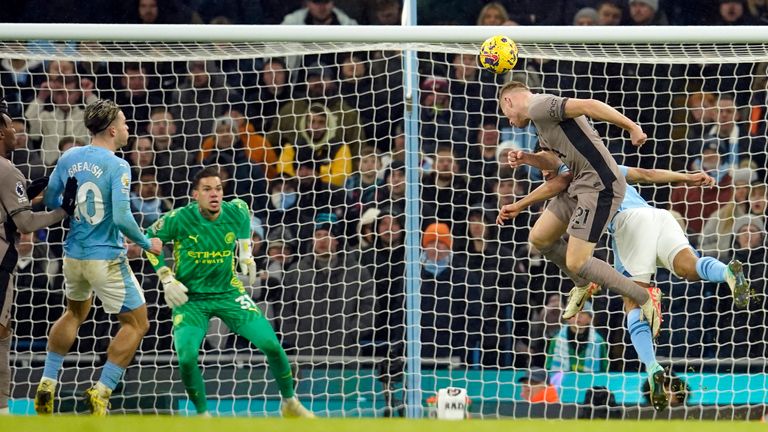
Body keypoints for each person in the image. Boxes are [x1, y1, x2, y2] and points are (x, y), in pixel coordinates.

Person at [499, 163, 751, 411]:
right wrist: (687, 177)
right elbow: (648, 173)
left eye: (546, 172)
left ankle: (652, 366)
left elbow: (563, 224)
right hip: (659, 216)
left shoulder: (571, 185)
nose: (545, 175)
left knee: (633, 300)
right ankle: (726, 271)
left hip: (629, 223)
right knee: (690, 267)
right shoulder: (608, 165)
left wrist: (520, 203)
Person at [496, 80, 661, 339]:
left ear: (508, 101)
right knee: (540, 238)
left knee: (577, 260)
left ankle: (644, 295)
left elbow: (589, 105)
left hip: (599, 185)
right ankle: (584, 283)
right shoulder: (541, 121)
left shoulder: (540, 105)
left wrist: (632, 126)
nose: (508, 120)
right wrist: (526, 158)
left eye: (505, 113)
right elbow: (552, 160)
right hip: (578, 183)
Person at [145, 166, 313, 418]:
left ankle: (289, 402)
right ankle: (203, 415)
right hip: (191, 300)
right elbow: (149, 240)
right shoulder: (178, 218)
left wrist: (245, 251)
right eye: (207, 189)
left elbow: (243, 211)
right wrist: (166, 278)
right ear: (195, 194)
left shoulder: (233, 210)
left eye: (218, 189)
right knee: (187, 358)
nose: (214, 194)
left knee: (272, 345)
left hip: (228, 293)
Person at [36, 99, 164, 415]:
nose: (127, 128)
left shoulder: (69, 156)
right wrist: (148, 243)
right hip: (105, 257)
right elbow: (121, 218)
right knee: (137, 323)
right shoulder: (119, 165)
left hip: (73, 255)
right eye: (123, 122)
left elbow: (52, 199)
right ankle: (102, 390)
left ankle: (47, 382)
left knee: (74, 313)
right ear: (111, 130)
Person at [0, 97, 78, 414]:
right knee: (2, 334)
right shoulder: (7, 169)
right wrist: (63, 210)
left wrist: (27, 194)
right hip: (0, 262)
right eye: (8, 124)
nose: (15, 129)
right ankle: (2, 407)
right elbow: (25, 223)